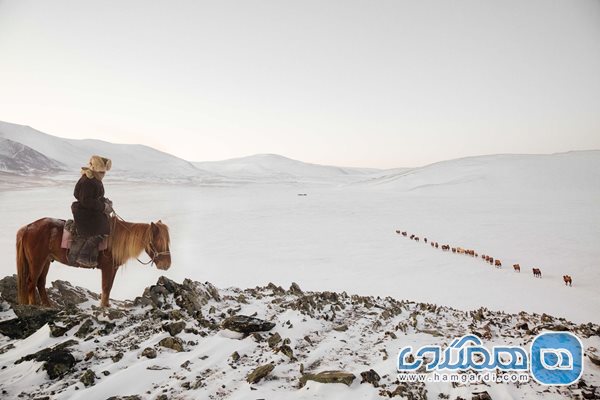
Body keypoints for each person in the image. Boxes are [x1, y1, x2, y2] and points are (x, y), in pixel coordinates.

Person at [70, 155, 114, 268]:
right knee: (102, 230)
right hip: (83, 212)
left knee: (106, 223)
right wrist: (103, 207)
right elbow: (86, 200)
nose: (102, 175)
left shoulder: (95, 179)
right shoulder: (88, 181)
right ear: (94, 170)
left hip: (90, 211)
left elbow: (96, 197)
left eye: (104, 172)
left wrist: (105, 202)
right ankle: (83, 256)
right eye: (100, 172)